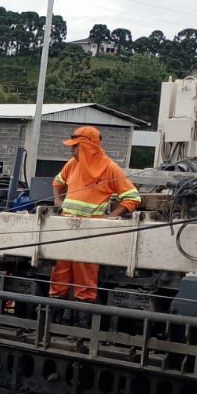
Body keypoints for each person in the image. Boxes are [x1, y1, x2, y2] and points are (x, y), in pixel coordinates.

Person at [49, 125, 140, 302]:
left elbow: (132, 197)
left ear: (87, 147)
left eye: (75, 146)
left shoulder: (109, 168)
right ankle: (55, 308)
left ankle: (84, 313)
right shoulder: (73, 163)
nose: (71, 149)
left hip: (90, 232)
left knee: (85, 271)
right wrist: (57, 201)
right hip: (65, 228)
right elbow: (58, 181)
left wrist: (112, 216)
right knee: (61, 269)